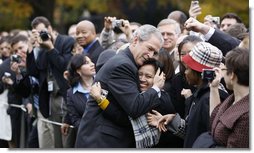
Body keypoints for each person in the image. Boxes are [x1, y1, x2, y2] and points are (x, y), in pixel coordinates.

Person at [75, 24, 164, 148]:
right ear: (136, 40)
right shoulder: (123, 65)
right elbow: (134, 108)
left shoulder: (127, 62)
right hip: (101, 142)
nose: (150, 55)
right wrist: (156, 88)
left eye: (154, 52)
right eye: (149, 48)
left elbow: (121, 112)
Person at [147, 42, 229, 148]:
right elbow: (194, 132)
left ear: (200, 73)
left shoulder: (211, 98)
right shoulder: (202, 93)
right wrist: (173, 120)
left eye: (188, 69)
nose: (185, 72)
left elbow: (208, 138)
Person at [90, 58, 176, 148]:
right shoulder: (136, 94)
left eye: (148, 76)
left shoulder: (161, 99)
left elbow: (124, 119)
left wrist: (100, 99)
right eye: (140, 74)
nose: (142, 79)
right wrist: (100, 99)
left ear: (159, 78)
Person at [27, 16, 75, 148]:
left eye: (43, 31)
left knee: (68, 141)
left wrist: (51, 48)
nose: (42, 35)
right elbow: (34, 72)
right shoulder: (41, 48)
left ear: (50, 28)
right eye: (38, 33)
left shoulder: (67, 41)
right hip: (50, 100)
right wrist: (30, 47)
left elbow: (65, 67)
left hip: (65, 97)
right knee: (57, 144)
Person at [208, 47, 249, 147]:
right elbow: (215, 115)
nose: (221, 73)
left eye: (224, 69)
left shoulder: (247, 116)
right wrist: (214, 88)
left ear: (232, 75)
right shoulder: (233, 98)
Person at [61, 54, 95, 147]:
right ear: (78, 70)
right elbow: (75, 119)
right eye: (87, 63)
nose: (92, 64)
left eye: (91, 61)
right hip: (86, 138)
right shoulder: (71, 93)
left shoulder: (102, 83)